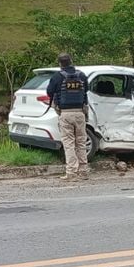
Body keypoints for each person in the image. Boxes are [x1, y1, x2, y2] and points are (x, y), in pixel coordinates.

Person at [45, 53, 90, 181]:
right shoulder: (81, 75)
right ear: (71, 61)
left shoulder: (57, 77)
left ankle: (71, 172)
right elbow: (86, 90)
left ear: (60, 64)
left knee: (69, 143)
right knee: (81, 141)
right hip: (80, 112)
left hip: (65, 113)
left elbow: (49, 92)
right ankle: (84, 171)